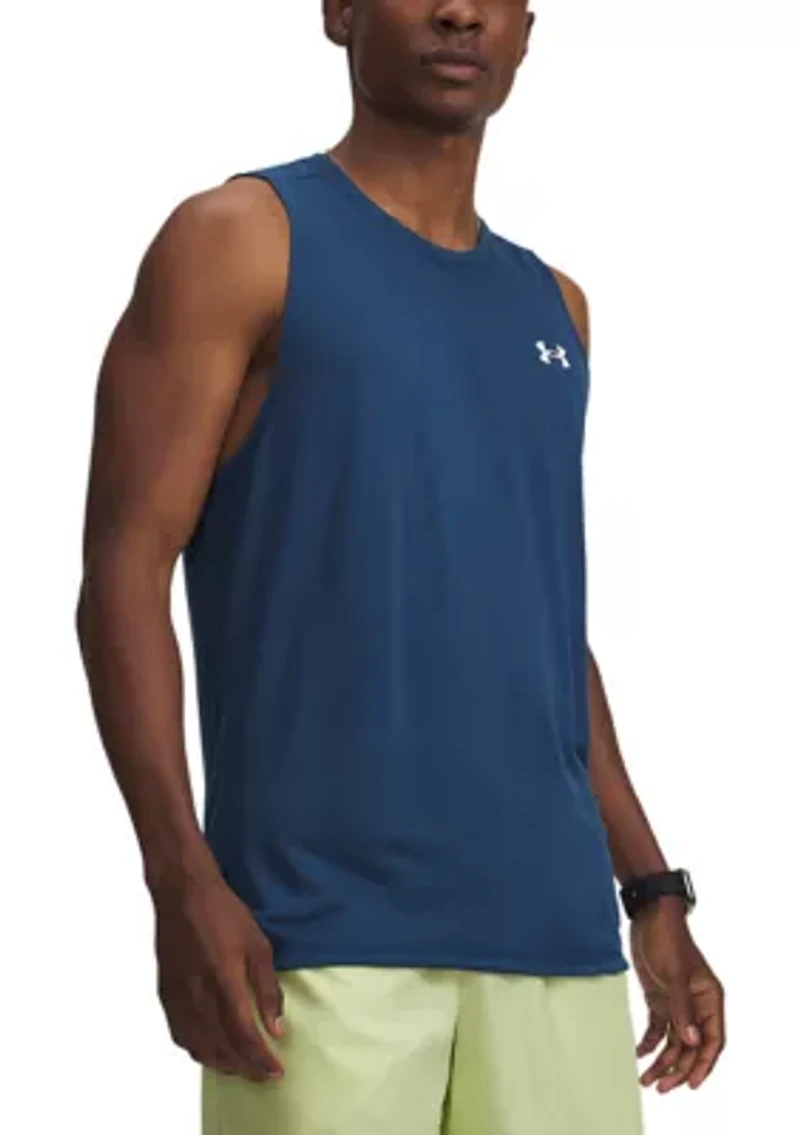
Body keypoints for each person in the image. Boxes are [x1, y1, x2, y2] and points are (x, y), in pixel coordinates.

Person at [76, 2, 725, 1132]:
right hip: (319, 937)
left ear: (528, 28)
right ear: (339, 10)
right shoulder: (240, 239)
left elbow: (537, 621)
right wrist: (179, 877)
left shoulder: (554, 307)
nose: (458, 10)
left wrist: (650, 886)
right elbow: (124, 573)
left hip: (555, 936)